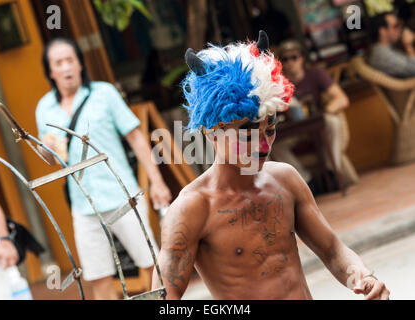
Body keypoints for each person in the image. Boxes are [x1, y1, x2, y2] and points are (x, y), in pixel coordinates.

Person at [151, 31, 390, 300]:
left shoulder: (285, 179)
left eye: (271, 126)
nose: (263, 143)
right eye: (249, 130)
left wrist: (361, 275)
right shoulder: (192, 207)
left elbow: (333, 249)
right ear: (211, 131)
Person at [35, 38, 172, 300]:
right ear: (50, 72)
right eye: (58, 63)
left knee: (152, 265)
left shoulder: (104, 93)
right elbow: (49, 158)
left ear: (80, 64)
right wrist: (44, 147)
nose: (66, 67)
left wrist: (157, 182)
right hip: (83, 205)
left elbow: (136, 138)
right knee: (98, 277)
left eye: (70, 60)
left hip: (123, 196)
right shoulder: (45, 108)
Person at [274, 39, 359, 188]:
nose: (290, 62)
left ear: (302, 58)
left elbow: (342, 99)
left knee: (332, 121)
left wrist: (324, 112)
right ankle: (306, 181)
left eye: (294, 57)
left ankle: (332, 171)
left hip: (316, 125)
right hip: (292, 129)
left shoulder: (315, 74)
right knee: (274, 144)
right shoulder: (278, 83)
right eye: (285, 59)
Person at [368, 11, 415, 78]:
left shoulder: (382, 49)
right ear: (383, 31)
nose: (401, 29)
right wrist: (408, 45)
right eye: (396, 26)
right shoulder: (383, 55)